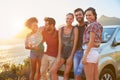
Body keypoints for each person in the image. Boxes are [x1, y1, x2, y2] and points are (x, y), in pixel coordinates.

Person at [50, 13, 78, 80]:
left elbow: (75, 44)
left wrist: (71, 56)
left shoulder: (75, 29)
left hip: (71, 53)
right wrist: (59, 56)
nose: (69, 20)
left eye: (71, 19)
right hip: (63, 53)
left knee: (66, 74)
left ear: (73, 20)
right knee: (53, 71)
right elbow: (60, 43)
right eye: (67, 18)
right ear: (65, 19)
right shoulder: (61, 29)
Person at [82, 7, 103, 80]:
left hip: (90, 53)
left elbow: (91, 41)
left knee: (89, 78)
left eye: (90, 15)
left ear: (94, 15)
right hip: (95, 52)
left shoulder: (92, 25)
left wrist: (85, 56)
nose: (87, 17)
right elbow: (99, 41)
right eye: (86, 15)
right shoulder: (99, 25)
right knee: (95, 77)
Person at [73, 8, 87, 80]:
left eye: (80, 14)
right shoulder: (75, 28)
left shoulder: (88, 25)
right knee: (76, 73)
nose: (78, 16)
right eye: (76, 15)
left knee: (78, 72)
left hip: (86, 52)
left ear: (83, 15)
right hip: (77, 53)